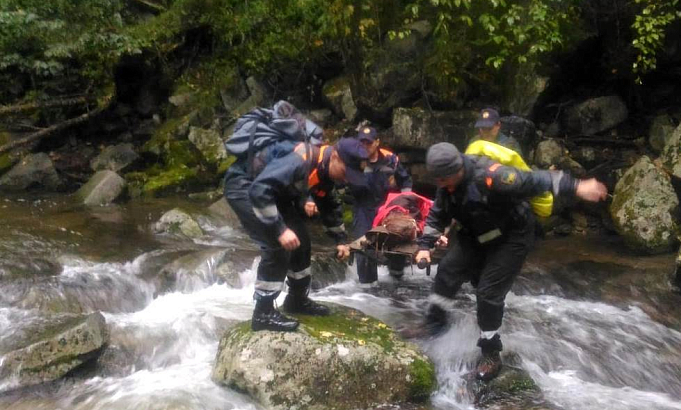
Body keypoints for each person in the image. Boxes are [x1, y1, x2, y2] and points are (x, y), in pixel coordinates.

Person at [415, 142, 608, 382]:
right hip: (476, 234)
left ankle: (491, 353)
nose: (438, 185)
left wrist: (577, 185)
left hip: (512, 236)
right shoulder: (447, 185)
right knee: (446, 271)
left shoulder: (493, 176)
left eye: (441, 180)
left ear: (455, 171)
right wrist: (425, 245)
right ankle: (435, 324)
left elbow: (535, 180)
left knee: (487, 292)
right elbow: (438, 213)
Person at [225, 134, 368, 332]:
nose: (346, 180)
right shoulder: (298, 160)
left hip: (274, 194)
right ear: (335, 156)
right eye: (346, 173)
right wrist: (280, 230)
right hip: (247, 188)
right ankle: (263, 313)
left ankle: (297, 300)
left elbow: (328, 202)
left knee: (301, 239)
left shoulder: (324, 168)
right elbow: (260, 191)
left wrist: (341, 240)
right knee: (278, 244)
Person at [349, 125, 413, 283]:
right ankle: (368, 288)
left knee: (396, 242)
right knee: (363, 247)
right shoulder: (353, 161)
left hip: (387, 207)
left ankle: (397, 278)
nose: (365, 146)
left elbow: (406, 181)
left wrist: (405, 202)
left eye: (368, 143)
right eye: (361, 143)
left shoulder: (391, 159)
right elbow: (344, 185)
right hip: (364, 207)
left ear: (377, 142)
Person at [466, 109, 553, 220]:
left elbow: (518, 170)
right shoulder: (474, 142)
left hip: (504, 186)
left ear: (498, 125)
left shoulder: (510, 144)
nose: (485, 132)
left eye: (489, 128)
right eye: (482, 129)